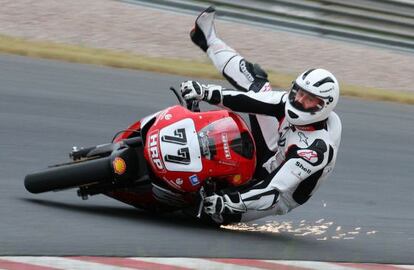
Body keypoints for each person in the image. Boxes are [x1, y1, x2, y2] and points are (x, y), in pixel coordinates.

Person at [180, 6, 342, 224]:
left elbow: (272, 190)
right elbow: (252, 101)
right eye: (299, 92)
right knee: (258, 83)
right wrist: (205, 92)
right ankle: (206, 38)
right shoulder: (288, 101)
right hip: (275, 152)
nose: (300, 101)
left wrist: (229, 202)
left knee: (209, 211)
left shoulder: (315, 150)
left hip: (276, 193)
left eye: (310, 99)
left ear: (323, 106)